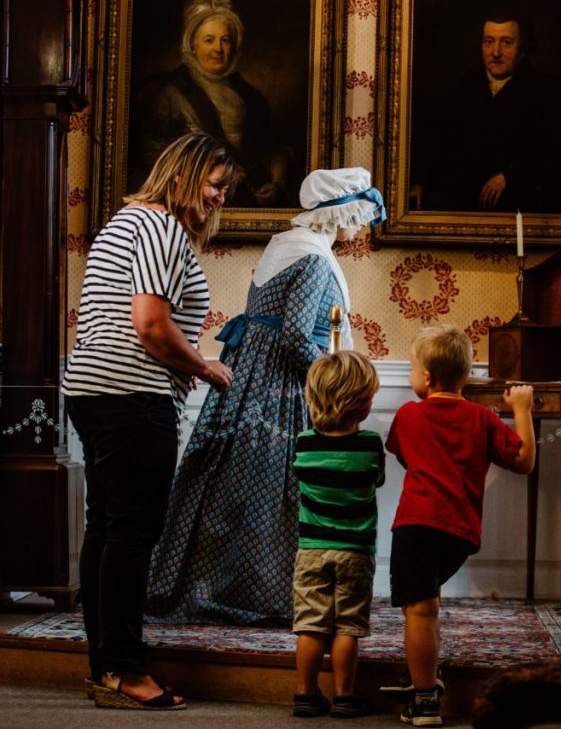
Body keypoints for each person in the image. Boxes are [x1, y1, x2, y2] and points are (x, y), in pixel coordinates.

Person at [146, 167, 385, 625]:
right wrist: (338, 380)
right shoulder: (313, 258)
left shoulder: (284, 244)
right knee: (278, 485)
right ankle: (264, 595)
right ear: (340, 212)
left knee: (236, 483)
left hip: (249, 377)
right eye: (358, 214)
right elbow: (296, 335)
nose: (360, 225)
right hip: (283, 385)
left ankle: (211, 583)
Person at [62, 132, 242, 710]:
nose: (219, 198)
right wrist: (204, 367)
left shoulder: (127, 220)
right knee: (133, 533)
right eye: (214, 185)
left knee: (109, 529)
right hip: (131, 396)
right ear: (185, 174)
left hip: (93, 390)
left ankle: (107, 667)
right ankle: (124, 670)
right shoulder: (163, 227)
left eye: (224, 190)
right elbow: (150, 324)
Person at [382, 325, 536, 726]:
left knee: (420, 611)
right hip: (460, 533)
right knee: (426, 604)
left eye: (414, 369)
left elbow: (403, 455)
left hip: (416, 525)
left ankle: (424, 699)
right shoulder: (482, 418)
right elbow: (523, 462)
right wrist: (522, 410)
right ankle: (421, 674)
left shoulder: (408, 414)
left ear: (427, 377)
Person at [410, 9, 561, 213]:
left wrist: (512, 177)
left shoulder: (548, 92)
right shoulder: (464, 88)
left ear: (523, 47)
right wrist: (420, 181)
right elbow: (438, 143)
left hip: (521, 206)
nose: (495, 52)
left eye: (506, 42)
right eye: (488, 41)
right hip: (464, 206)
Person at [128, 0, 291, 207]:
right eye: (209, 40)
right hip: (193, 203)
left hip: (250, 201)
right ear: (192, 46)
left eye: (225, 40)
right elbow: (155, 159)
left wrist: (277, 183)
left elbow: (274, 148)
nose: (218, 49)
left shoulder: (250, 98)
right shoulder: (168, 92)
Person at [290, 351, 383, 719]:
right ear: (359, 404)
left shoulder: (304, 443)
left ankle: (306, 695)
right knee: (347, 626)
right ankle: (344, 696)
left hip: (311, 551)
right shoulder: (370, 444)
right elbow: (376, 481)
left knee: (310, 625)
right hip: (356, 551)